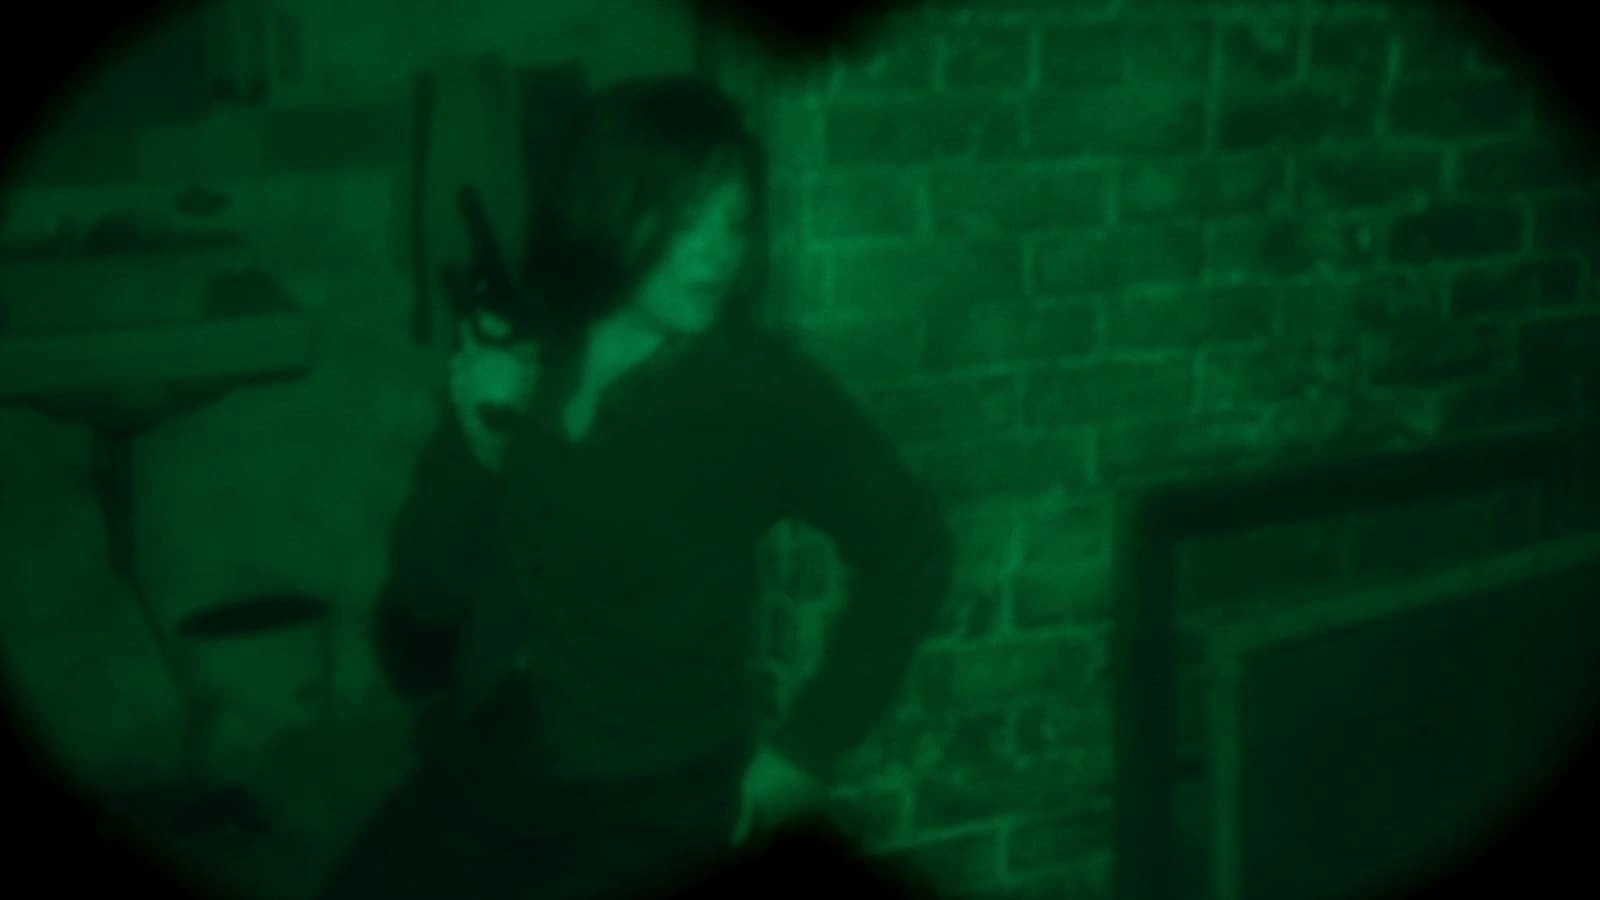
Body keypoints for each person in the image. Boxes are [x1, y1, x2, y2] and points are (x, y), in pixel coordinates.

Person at [316, 73, 956, 900]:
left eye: (734, 222)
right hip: (495, 749)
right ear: (612, 207)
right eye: (688, 218)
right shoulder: (532, 349)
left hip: (659, 795)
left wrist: (809, 745)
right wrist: (477, 444)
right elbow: (425, 594)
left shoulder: (759, 387)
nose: (720, 252)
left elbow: (913, 547)